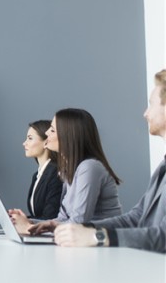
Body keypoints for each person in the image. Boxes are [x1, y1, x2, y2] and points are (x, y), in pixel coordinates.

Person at [53, 70, 166, 253]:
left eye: (151, 104)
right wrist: (85, 229)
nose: (145, 113)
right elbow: (135, 217)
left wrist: (96, 237)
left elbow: (163, 237)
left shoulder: (90, 167)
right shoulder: (163, 167)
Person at [10, 108, 122, 234]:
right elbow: (62, 218)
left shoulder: (90, 167)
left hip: (102, 244)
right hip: (80, 242)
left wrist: (29, 226)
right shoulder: (68, 170)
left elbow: (79, 222)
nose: (46, 133)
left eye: (52, 130)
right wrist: (29, 223)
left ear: (67, 136)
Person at [23, 120, 62, 220]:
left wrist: (26, 222)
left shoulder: (56, 174)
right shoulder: (37, 175)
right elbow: (39, 216)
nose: (24, 143)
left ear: (46, 142)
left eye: (30, 139)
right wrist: (21, 219)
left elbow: (50, 217)